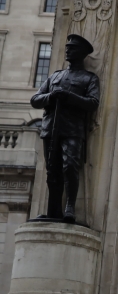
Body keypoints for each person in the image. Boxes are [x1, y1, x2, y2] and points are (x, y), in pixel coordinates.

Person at [29, 34, 100, 223]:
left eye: (72, 48)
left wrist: (68, 96)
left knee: (70, 167)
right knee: (52, 170)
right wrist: (51, 97)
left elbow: (93, 103)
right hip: (51, 129)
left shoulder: (88, 78)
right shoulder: (55, 76)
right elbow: (35, 100)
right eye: (67, 47)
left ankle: (69, 207)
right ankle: (53, 210)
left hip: (72, 129)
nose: (67, 50)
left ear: (82, 53)